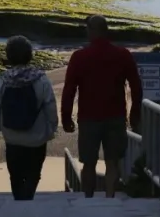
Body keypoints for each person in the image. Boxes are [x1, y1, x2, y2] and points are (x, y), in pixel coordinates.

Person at [60, 15, 142, 199]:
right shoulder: (123, 55)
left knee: (89, 163)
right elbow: (136, 86)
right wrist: (134, 112)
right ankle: (110, 197)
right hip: (116, 116)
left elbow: (69, 89)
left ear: (93, 30)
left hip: (89, 118)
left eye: (88, 29)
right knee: (113, 162)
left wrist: (66, 117)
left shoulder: (79, 57)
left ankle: (88, 199)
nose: (86, 32)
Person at [0, 36, 58, 201]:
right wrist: (51, 129)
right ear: (30, 55)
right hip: (37, 137)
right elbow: (50, 106)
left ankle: (20, 202)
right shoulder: (40, 79)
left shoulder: (3, 80)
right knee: (34, 173)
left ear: (9, 56)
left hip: (12, 137)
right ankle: (28, 199)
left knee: (15, 175)